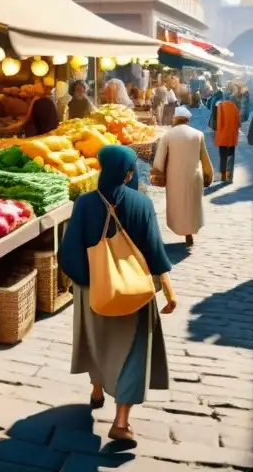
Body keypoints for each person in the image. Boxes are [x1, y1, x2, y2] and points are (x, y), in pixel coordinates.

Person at [59, 145, 176, 441]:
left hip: (92, 289)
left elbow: (69, 250)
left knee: (96, 342)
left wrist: (82, 280)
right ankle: (121, 423)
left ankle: (97, 390)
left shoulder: (84, 204)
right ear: (127, 173)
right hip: (133, 292)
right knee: (133, 353)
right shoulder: (142, 204)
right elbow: (153, 252)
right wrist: (169, 290)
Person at [151, 106, 213, 247]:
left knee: (178, 206)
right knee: (191, 205)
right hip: (194, 177)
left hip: (175, 177)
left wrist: (157, 174)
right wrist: (209, 174)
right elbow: (205, 158)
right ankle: (189, 234)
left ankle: (182, 231)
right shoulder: (198, 134)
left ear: (175, 119)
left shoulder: (168, 135)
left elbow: (159, 160)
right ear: (188, 120)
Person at [209, 92, 241, 183]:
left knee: (223, 156)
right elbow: (238, 123)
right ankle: (229, 177)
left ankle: (222, 176)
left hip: (222, 135)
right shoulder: (234, 107)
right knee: (230, 155)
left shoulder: (219, 106)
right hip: (231, 136)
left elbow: (215, 121)